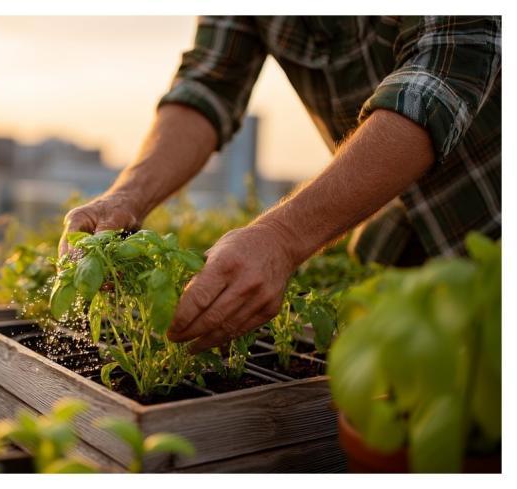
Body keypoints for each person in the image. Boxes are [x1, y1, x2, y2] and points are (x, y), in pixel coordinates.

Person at [59, 16, 501, 353]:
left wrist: (282, 236)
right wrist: (126, 196)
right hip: (398, 246)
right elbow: (209, 84)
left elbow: (444, 68)